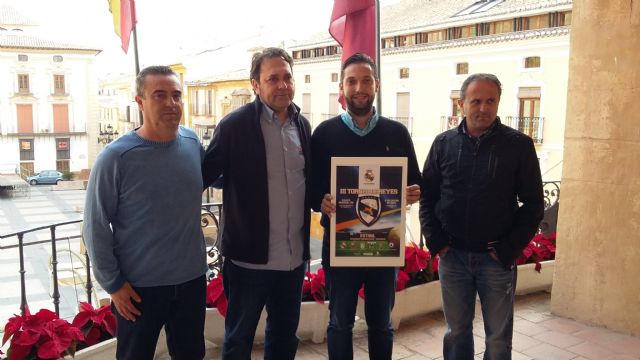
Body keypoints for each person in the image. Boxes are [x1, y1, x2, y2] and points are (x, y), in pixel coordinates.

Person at [83, 66, 207, 359]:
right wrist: (113, 284)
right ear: (140, 101)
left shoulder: (192, 143)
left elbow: (223, 177)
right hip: (139, 289)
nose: (170, 103)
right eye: (159, 95)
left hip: (191, 281)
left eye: (176, 95)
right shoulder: (116, 157)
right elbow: (94, 226)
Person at [419, 73, 544, 360]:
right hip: (453, 258)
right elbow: (428, 196)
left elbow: (534, 204)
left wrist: (509, 249)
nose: (483, 108)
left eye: (491, 101)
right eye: (476, 101)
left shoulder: (518, 146)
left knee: (499, 340)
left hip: (496, 260)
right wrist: (436, 241)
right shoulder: (443, 144)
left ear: (499, 103)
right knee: (456, 333)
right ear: (461, 103)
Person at [201, 47, 311, 359]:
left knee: (284, 338)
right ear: (256, 84)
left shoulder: (302, 126)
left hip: (292, 260)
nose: (282, 85)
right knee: (238, 341)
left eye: (287, 77)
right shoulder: (234, 126)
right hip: (249, 262)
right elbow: (204, 176)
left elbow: (308, 182)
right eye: (272, 78)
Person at [311, 53, 422, 359]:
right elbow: (310, 187)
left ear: (377, 85)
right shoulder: (324, 134)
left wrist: (413, 191)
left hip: (384, 246)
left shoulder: (396, 133)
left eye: (365, 80)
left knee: (381, 324)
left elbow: (415, 180)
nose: (359, 87)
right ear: (342, 88)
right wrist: (319, 199)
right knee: (339, 322)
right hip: (340, 245)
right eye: (352, 81)